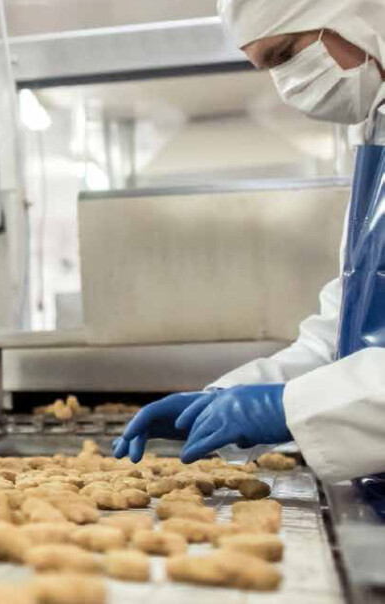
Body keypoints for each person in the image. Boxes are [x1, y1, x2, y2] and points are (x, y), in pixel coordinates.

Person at [114, 0, 385, 483]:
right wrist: (224, 396)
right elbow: (343, 338)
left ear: (358, 16)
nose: (288, 85)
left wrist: (288, 408)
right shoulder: (375, 134)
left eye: (286, 55)